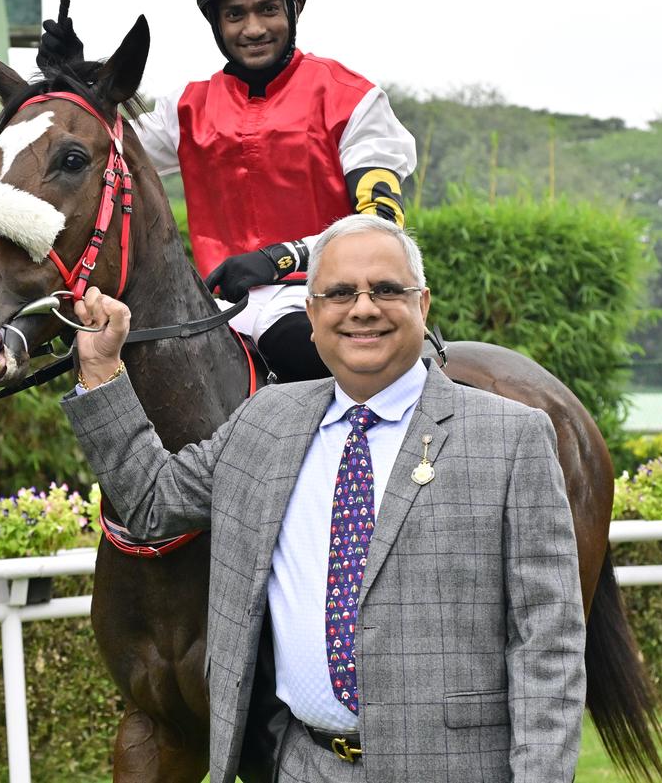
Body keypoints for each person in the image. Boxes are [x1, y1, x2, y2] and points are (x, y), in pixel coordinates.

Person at [62, 214, 585, 782]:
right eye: (337, 293)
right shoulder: (264, 422)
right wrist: (101, 370)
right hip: (304, 767)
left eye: (386, 289)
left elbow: (547, 643)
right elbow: (149, 501)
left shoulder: (513, 437)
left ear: (423, 304)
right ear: (310, 314)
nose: (362, 308)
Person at [39, 0, 417, 383]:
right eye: (235, 14)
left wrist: (281, 257)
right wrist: (75, 79)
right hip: (217, 306)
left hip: (325, 297)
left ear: (293, 9)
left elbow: (382, 223)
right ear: (216, 24)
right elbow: (92, 152)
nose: (253, 29)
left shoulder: (353, 99)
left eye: (268, 10)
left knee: (294, 349)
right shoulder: (186, 109)